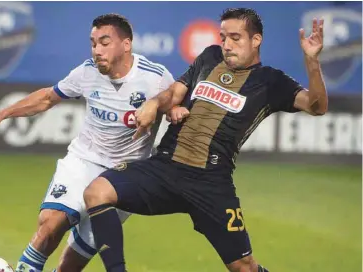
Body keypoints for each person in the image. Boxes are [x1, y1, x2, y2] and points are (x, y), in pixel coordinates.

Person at [83, 8, 328, 272]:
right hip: (165, 167)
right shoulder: (210, 57)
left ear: (256, 40)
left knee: (243, 266)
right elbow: (175, 92)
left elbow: (317, 106)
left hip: (211, 182)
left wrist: (312, 62)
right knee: (97, 192)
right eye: (223, 37)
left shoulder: (271, 81)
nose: (227, 45)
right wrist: (155, 103)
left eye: (236, 38)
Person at [0, 13, 183, 272]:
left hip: (125, 177)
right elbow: (48, 97)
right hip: (84, 162)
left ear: (126, 44)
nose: (97, 50)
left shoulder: (156, 77)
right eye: (93, 43)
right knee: (49, 224)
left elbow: (176, 100)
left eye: (104, 42)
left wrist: (173, 109)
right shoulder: (86, 72)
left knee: (70, 265)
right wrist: (2, 114)